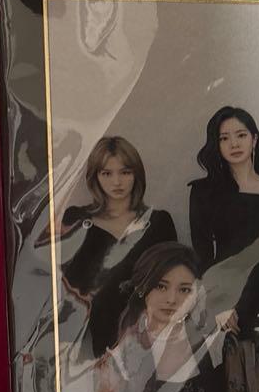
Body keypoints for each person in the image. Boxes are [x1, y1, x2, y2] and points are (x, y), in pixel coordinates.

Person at [95, 242, 257, 392]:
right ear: (142, 288)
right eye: (161, 286)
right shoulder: (119, 360)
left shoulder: (218, 342)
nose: (172, 299)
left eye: (184, 290)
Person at [58, 136, 177, 358]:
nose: (117, 182)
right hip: (86, 342)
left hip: (149, 338)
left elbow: (173, 283)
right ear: (95, 177)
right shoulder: (75, 219)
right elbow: (63, 287)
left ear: (136, 174)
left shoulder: (159, 222)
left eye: (125, 172)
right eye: (107, 173)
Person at [188, 106, 259, 340]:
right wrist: (218, 303)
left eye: (241, 135)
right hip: (226, 296)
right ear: (217, 145)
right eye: (224, 138)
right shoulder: (203, 192)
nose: (234, 144)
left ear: (254, 139)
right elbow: (202, 255)